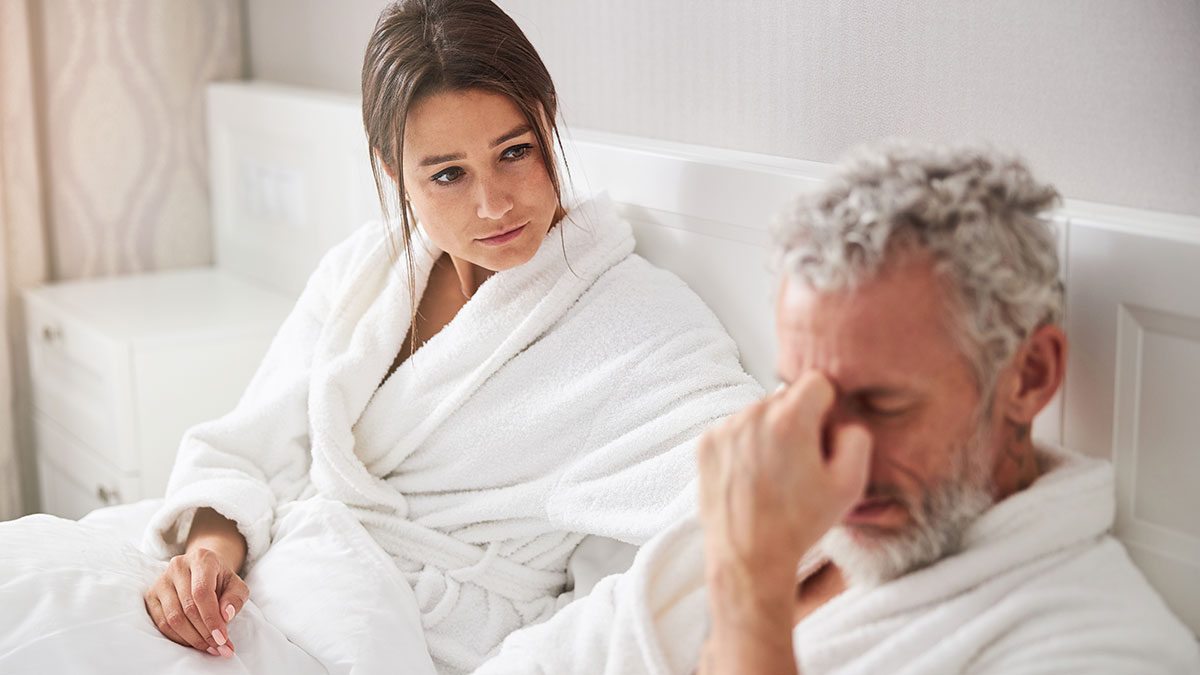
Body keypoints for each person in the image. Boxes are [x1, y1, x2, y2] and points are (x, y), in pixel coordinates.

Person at [0, 1, 760, 673]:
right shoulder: (363, 273)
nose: (495, 202)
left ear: (547, 118)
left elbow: (752, 495)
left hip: (411, 633)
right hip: (273, 580)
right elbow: (249, 446)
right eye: (448, 175)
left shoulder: (640, 324)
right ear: (392, 170)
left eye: (515, 151)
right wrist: (207, 564)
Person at [473, 141, 1200, 674]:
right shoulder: (798, 523)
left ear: (1029, 376)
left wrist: (750, 603)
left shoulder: (1099, 646)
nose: (831, 456)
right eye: (801, 392)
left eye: (881, 403)